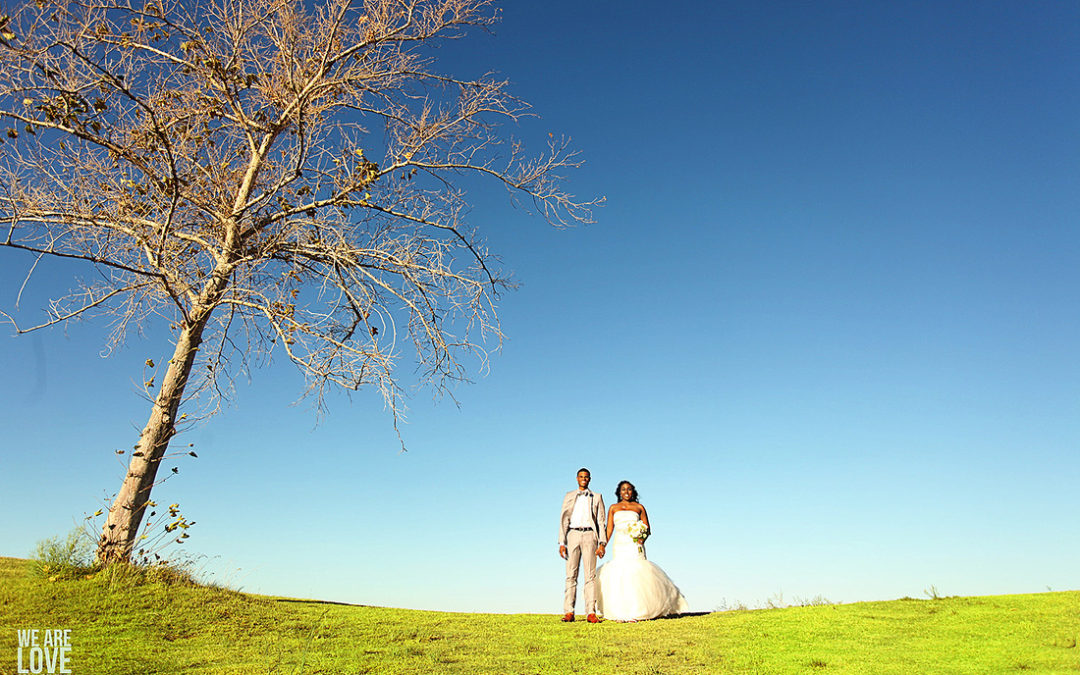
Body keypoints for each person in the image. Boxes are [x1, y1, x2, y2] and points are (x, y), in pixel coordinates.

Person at [596, 480, 688, 621]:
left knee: (638, 573)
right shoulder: (613, 508)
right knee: (621, 574)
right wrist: (602, 545)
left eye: (629, 489)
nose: (626, 492)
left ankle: (639, 610)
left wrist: (641, 538)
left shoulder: (639, 507)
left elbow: (647, 528)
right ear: (619, 493)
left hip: (634, 545)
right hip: (620, 544)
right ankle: (621, 610)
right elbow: (609, 529)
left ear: (633, 492)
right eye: (623, 489)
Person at [558, 468, 607, 623]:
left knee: (590, 575)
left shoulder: (597, 497)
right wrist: (561, 542)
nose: (584, 479)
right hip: (572, 534)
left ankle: (590, 612)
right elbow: (564, 519)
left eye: (586, 477)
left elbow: (601, 521)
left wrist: (602, 542)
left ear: (590, 479)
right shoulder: (569, 496)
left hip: (590, 536)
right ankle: (569, 612)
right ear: (577, 478)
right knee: (570, 575)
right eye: (581, 477)